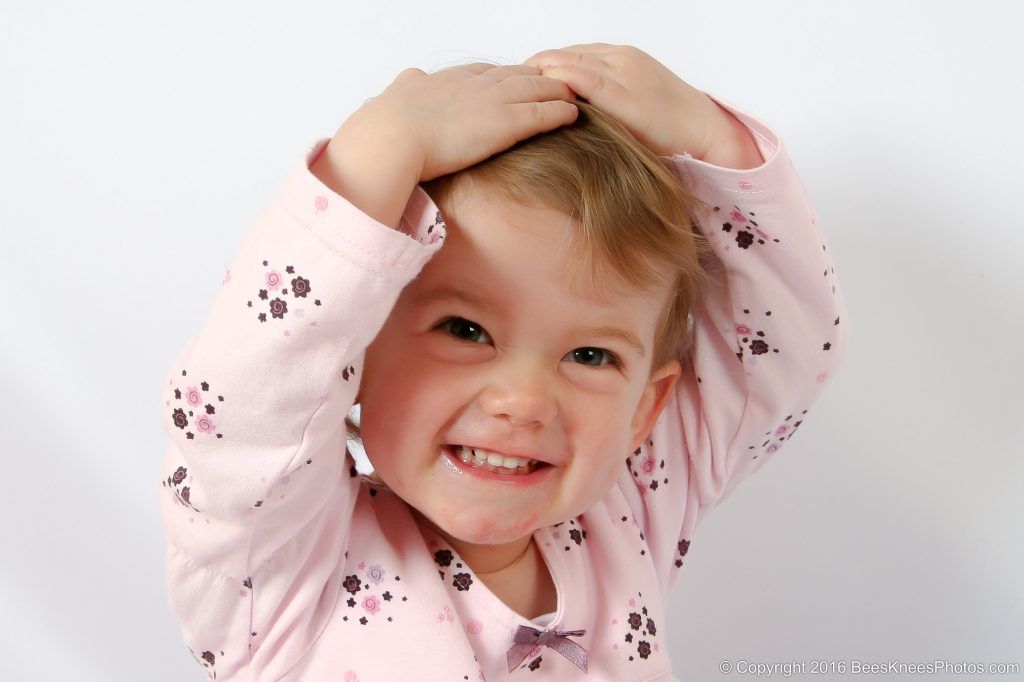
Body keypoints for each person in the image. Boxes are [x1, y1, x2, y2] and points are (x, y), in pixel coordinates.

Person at [158, 43, 850, 681]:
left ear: (645, 408)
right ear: (353, 351)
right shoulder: (282, 565)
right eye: (465, 329)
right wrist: (377, 152)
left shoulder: (631, 509)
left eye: (590, 354)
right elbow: (239, 406)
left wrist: (711, 140)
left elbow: (777, 353)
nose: (523, 399)